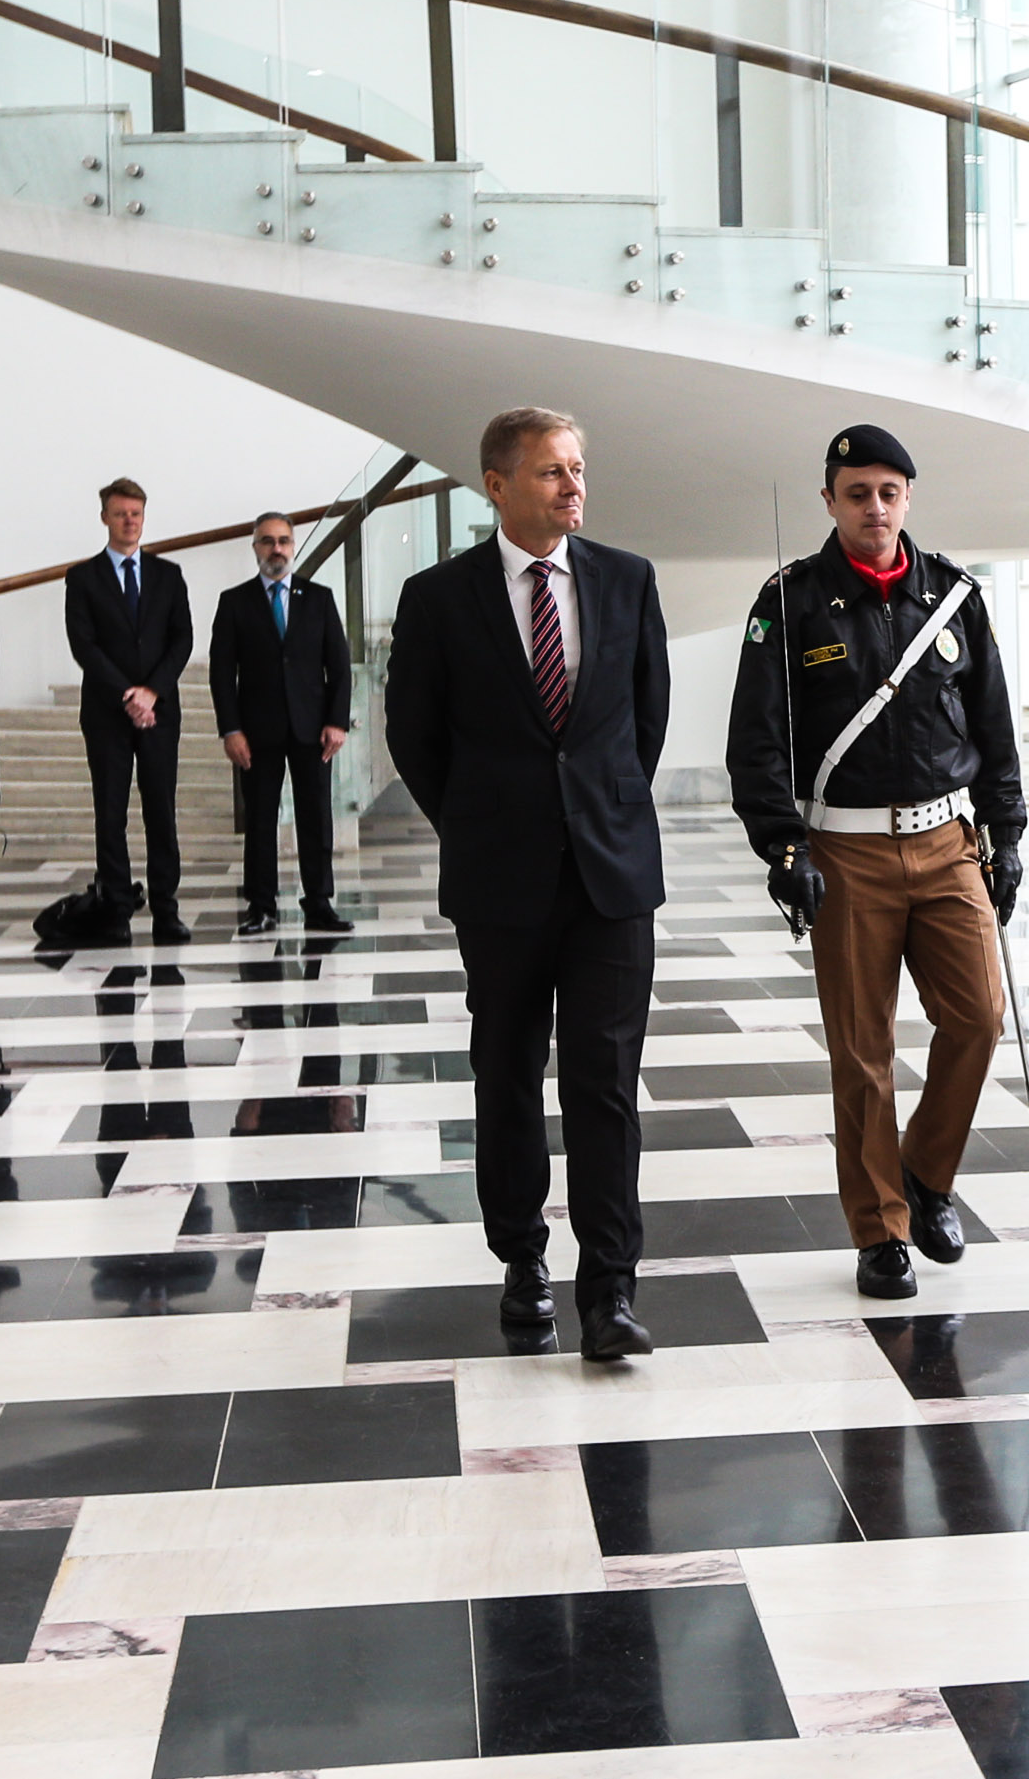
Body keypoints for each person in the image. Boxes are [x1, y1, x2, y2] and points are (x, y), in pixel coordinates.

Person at [387, 407, 669, 1362]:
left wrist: (597, 811)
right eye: (552, 471)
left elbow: (644, 720)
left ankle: (611, 1289)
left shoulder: (628, 580)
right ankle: (522, 1259)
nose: (573, 485)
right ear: (498, 485)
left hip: (610, 877)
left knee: (605, 1083)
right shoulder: (438, 598)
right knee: (506, 1074)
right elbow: (415, 737)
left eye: (578, 468)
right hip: (500, 879)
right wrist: (482, 822)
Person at [727, 424, 1027, 1302]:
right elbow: (757, 741)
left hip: (947, 843)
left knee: (978, 1018)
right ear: (830, 500)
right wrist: (783, 845)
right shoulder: (790, 601)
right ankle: (881, 1229)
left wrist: (1007, 835)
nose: (874, 507)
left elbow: (993, 723)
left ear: (908, 497)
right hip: (846, 849)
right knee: (863, 1052)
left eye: (888, 492)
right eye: (856, 493)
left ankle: (927, 1173)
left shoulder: (955, 596)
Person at [210, 513, 353, 936]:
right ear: (255, 547)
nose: (277, 549)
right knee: (259, 821)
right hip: (256, 732)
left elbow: (339, 666)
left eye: (284, 541)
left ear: (293, 546)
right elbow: (222, 673)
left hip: (313, 730)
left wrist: (337, 721)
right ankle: (261, 907)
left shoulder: (319, 598)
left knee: (316, 818)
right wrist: (230, 729)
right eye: (268, 541)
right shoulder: (234, 602)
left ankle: (319, 904)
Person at [64, 478, 193, 942]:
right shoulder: (83, 578)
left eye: (135, 513)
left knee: (161, 811)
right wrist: (128, 694)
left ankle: (166, 910)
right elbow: (84, 645)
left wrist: (152, 692)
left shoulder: (168, 574)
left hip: (159, 712)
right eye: (120, 514)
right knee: (110, 812)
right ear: (105, 517)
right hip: (107, 713)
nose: (129, 521)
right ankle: (117, 909)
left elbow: (182, 639)